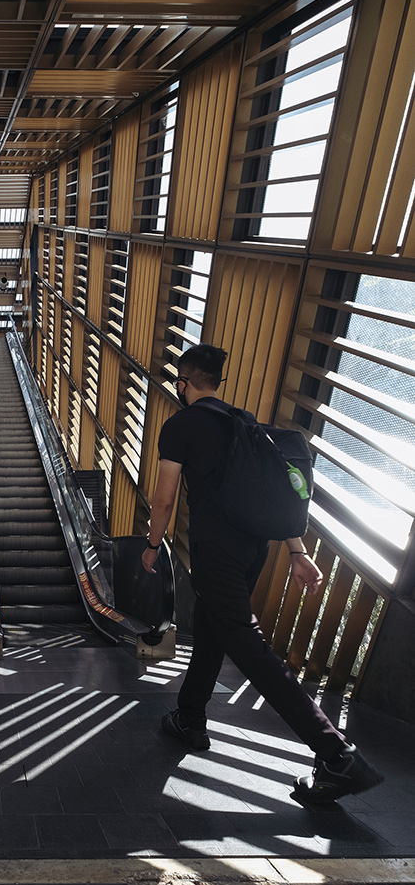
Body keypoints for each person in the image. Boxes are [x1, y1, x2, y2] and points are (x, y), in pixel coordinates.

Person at [141, 343, 383, 807]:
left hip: (215, 552)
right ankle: (189, 718)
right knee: (214, 632)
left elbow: (165, 500)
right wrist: (296, 550)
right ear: (218, 382)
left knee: (248, 647)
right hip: (256, 550)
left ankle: (337, 756)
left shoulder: (181, 425)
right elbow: (280, 492)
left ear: (183, 383)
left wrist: (152, 547)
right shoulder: (244, 422)